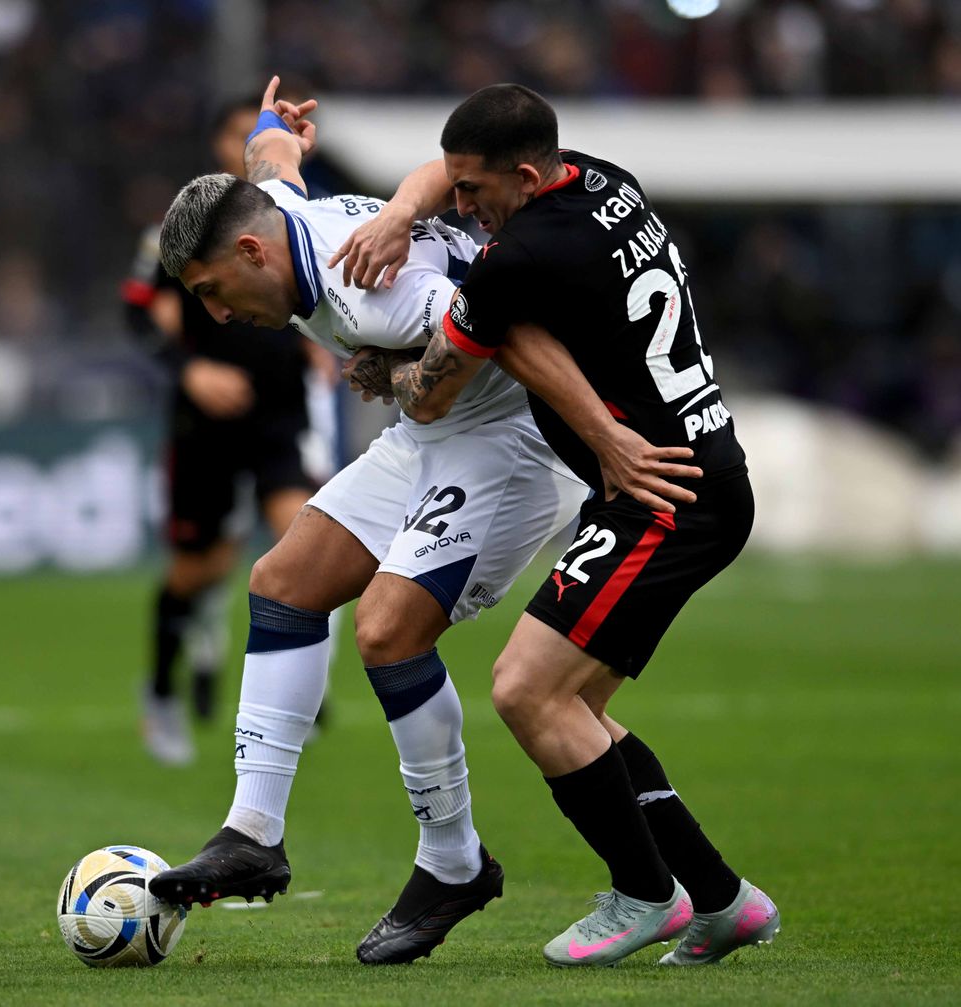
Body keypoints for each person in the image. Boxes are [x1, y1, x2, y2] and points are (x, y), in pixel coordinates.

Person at [146, 78, 597, 964]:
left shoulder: (368, 293)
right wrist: (279, 129)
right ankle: (253, 833)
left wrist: (603, 440)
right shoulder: (276, 210)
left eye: (211, 290)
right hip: (433, 435)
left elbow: (504, 332)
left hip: (509, 442)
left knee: (388, 631)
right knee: (282, 581)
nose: (217, 314)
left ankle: (452, 861)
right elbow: (267, 163)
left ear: (249, 249)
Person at [331, 83, 780, 967]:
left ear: (527, 176)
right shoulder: (605, 182)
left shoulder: (515, 261)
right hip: (698, 471)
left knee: (526, 691)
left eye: (473, 192)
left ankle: (646, 893)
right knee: (577, 711)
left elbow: (432, 396)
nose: (462, 208)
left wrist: (387, 372)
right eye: (454, 188)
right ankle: (725, 900)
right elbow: (529, 325)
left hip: (661, 493)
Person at [123, 95, 330, 766]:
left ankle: (291, 700)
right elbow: (138, 321)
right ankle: (160, 690)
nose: (251, 146)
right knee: (199, 568)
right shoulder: (175, 237)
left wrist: (327, 343)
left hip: (280, 412)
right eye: (239, 135)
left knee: (306, 544)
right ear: (217, 146)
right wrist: (190, 374)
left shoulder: (296, 217)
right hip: (204, 422)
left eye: (258, 135)